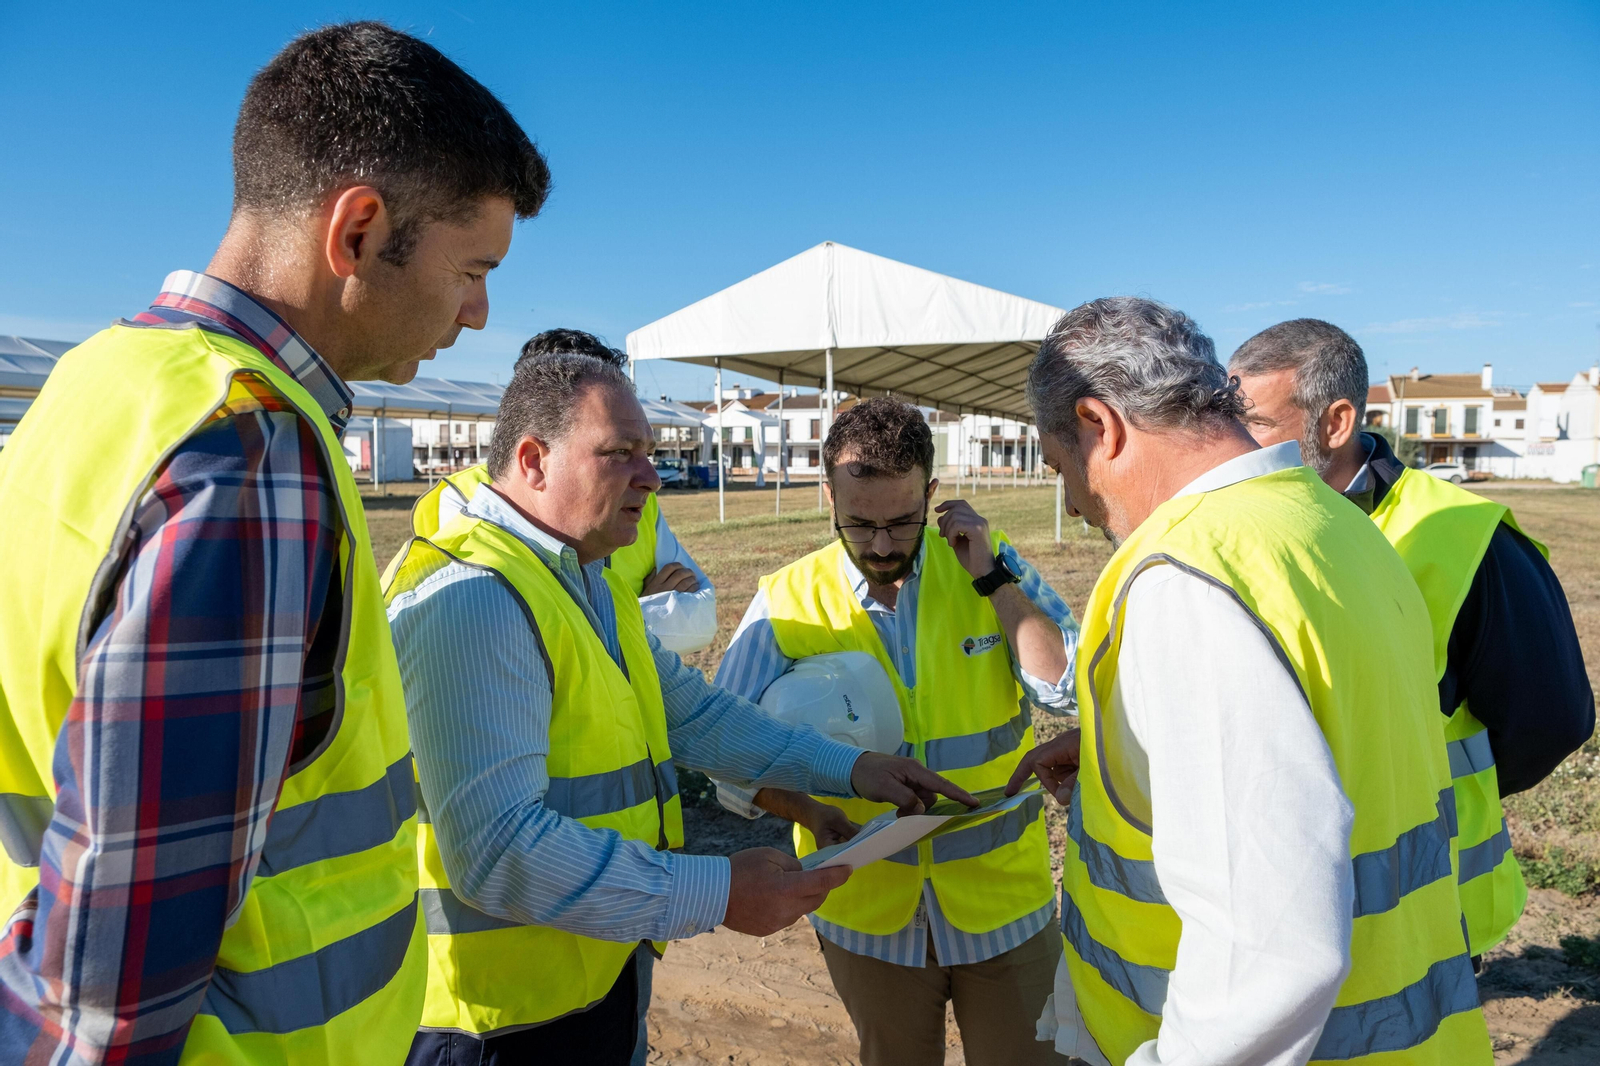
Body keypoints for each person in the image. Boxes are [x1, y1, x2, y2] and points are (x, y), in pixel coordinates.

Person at [0, 23, 548, 1066]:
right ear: (359, 230)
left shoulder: (96, 384)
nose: (479, 314)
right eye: (473, 268)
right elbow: (113, 984)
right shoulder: (250, 451)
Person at [384, 354, 975, 1065]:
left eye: (650, 452)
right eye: (621, 454)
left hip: (592, 974)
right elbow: (497, 851)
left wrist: (850, 768)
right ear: (534, 461)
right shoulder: (476, 597)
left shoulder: (586, 575)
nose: (652, 477)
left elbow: (695, 715)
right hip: (494, 1022)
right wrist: (717, 891)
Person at [1018, 297, 1493, 1065]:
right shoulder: (1337, 525)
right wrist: (1128, 760)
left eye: (1058, 466)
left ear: (1100, 426)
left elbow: (1268, 955)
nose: (1073, 503)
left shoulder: (1187, 580)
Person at [714, 397, 1080, 1066]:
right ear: (829, 496)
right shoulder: (786, 599)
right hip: (868, 917)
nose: (881, 546)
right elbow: (723, 753)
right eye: (859, 523)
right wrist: (809, 811)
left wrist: (990, 576)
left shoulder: (989, 566)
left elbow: (1062, 686)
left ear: (932, 495)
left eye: (901, 521)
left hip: (1003, 905)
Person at [1229, 318, 1594, 961]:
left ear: (1335, 424)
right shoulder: (1238, 524)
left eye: (1253, 423)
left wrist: (1417, 786)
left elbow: (1550, 721)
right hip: (1279, 901)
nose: (1231, 443)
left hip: (1425, 908)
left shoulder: (1461, 533)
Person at [410, 328, 718, 654]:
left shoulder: (641, 498)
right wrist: (639, 613)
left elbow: (700, 618)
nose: (652, 481)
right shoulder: (460, 499)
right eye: (618, 450)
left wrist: (620, 620)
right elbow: (496, 628)